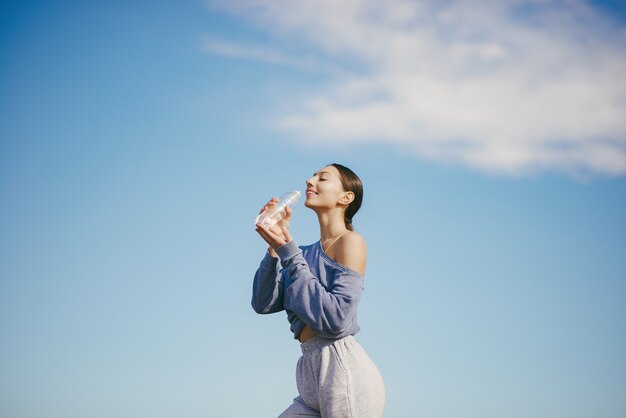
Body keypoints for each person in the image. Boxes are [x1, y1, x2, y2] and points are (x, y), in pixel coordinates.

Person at [253, 163, 386, 418]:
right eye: (313, 176)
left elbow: (335, 321)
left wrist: (288, 251)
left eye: (322, 178)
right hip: (309, 371)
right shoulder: (301, 253)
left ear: (346, 197)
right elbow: (262, 303)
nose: (309, 180)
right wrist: (274, 245)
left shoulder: (350, 242)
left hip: (342, 368)